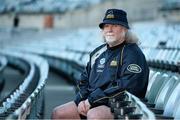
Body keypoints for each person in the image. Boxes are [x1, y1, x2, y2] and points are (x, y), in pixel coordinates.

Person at [51, 8, 149, 119]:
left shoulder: (133, 53)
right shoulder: (98, 53)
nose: (110, 30)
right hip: (92, 101)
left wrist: (92, 100)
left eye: (115, 26)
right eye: (106, 26)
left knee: (94, 115)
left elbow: (127, 87)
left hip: (120, 105)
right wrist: (82, 100)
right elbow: (84, 80)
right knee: (59, 113)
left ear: (125, 29)